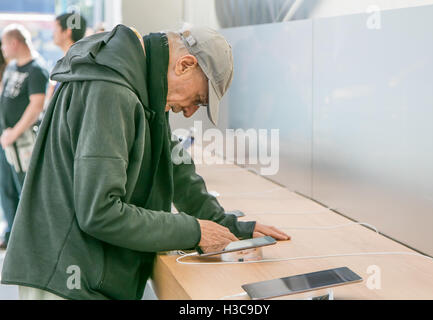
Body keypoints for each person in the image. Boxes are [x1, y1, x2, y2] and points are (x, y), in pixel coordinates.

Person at [1, 24, 290, 300]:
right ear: (184, 65)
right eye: (199, 100)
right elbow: (100, 211)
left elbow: (175, 167)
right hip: (66, 280)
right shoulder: (111, 90)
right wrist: (194, 231)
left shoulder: (142, 84)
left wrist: (228, 226)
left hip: (85, 274)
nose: (190, 113)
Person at [0, 24, 48, 250]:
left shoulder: (36, 69)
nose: (2, 48)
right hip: (6, 141)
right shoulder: (11, 68)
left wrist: (14, 133)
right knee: (6, 188)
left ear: (14, 43)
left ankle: (31, 242)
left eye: (3, 43)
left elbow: (36, 106)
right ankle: (12, 235)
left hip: (23, 142)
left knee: (26, 190)